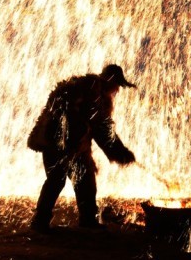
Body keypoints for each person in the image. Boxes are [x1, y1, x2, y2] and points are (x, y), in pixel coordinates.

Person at [27, 64, 137, 232]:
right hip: (57, 144)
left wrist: (121, 153)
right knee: (56, 179)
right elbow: (100, 128)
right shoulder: (91, 91)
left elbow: (101, 128)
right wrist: (120, 153)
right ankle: (40, 221)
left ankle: (87, 219)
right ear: (110, 81)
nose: (117, 90)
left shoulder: (94, 94)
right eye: (117, 85)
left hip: (75, 147)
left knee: (85, 181)